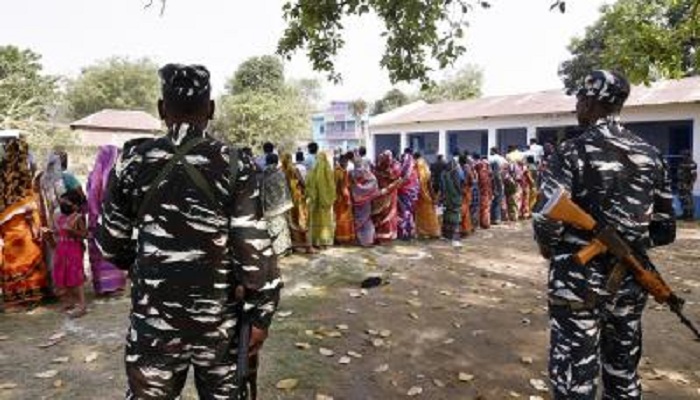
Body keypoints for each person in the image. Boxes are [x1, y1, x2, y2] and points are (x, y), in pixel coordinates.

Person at [97, 64, 281, 399]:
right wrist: (261, 315)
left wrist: (144, 267)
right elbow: (254, 250)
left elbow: (109, 242)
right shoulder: (236, 163)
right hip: (220, 326)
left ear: (161, 109)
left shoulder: (133, 160)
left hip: (154, 323)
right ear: (210, 108)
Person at [534, 70, 676, 399]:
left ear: (591, 101)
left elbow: (546, 219)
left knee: (575, 382)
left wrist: (551, 249)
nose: (576, 106)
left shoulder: (570, 152)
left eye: (580, 99)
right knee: (623, 376)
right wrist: (628, 242)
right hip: (629, 281)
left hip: (576, 283)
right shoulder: (651, 155)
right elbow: (665, 229)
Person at [0, 138, 49, 311]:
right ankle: (27, 298)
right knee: (28, 259)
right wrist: (37, 230)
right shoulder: (22, 187)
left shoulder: (3, 183)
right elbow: (29, 213)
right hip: (23, 234)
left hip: (9, 234)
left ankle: (13, 299)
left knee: (11, 263)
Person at [86, 145, 126, 296]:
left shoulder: (93, 175)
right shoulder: (116, 175)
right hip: (111, 220)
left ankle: (101, 285)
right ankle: (113, 284)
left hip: (96, 219)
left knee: (99, 252)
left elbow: (91, 197)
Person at [53, 190, 88, 317]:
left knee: (76, 276)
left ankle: (82, 305)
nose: (63, 205)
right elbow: (58, 234)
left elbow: (85, 235)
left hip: (74, 249)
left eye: (66, 203)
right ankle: (70, 302)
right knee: (64, 274)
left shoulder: (78, 218)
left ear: (75, 205)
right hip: (61, 249)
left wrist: (73, 231)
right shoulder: (60, 218)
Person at [282, 153, 314, 254]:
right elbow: (302, 183)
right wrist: (305, 191)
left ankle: (294, 246)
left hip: (287, 200)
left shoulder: (282, 171)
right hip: (298, 199)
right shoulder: (294, 170)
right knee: (302, 221)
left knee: (292, 222)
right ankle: (308, 247)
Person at [262, 153, 293, 257]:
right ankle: (285, 249)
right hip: (282, 205)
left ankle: (276, 250)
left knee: (272, 228)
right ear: (276, 162)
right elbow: (285, 189)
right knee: (283, 226)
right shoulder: (281, 174)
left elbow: (262, 191)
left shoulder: (264, 174)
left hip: (269, 207)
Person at [306, 151, 336, 249]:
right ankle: (325, 242)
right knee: (326, 222)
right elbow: (332, 185)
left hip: (315, 202)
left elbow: (308, 185)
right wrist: (329, 198)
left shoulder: (312, 172)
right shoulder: (328, 170)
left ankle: (316, 242)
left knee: (315, 221)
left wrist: (312, 195)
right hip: (325, 203)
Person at [372, 150, 402, 244]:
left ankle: (387, 234)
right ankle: (382, 234)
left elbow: (396, 178)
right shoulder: (380, 167)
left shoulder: (394, 167)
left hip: (388, 194)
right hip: (382, 193)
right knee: (383, 214)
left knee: (388, 214)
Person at [414, 153, 440, 238]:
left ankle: (421, 232)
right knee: (429, 213)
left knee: (420, 214)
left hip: (417, 194)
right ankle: (432, 232)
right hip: (426, 195)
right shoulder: (425, 166)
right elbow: (429, 184)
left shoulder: (414, 167)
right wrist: (433, 196)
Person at [397, 149, 420, 240]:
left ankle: (405, 233)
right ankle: (409, 232)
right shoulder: (414, 170)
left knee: (405, 212)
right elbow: (417, 184)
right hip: (412, 194)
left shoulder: (404, 172)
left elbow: (401, 181)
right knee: (410, 213)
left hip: (405, 193)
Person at [440, 158, 463, 247]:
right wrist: (460, 193)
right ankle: (455, 239)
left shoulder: (445, 174)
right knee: (456, 218)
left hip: (447, 199)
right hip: (455, 198)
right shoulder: (455, 173)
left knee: (447, 217)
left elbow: (442, 188)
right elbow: (458, 186)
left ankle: (446, 235)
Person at [334, 154, 356, 244]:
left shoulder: (337, 170)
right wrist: (347, 199)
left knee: (338, 217)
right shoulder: (341, 172)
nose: (347, 163)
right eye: (346, 161)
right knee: (343, 218)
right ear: (341, 162)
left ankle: (338, 237)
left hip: (337, 198)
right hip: (342, 198)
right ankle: (342, 237)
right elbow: (343, 187)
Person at [474, 154, 493, 229]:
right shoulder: (486, 172)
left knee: (483, 207)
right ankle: (485, 223)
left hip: (483, 191)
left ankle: (483, 223)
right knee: (485, 207)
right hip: (485, 191)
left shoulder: (480, 172)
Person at [678, 149, 697, 220]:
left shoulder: (691, 163)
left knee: (688, 200)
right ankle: (684, 214)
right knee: (682, 199)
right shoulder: (682, 162)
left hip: (687, 184)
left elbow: (694, 175)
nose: (682, 156)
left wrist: (690, 184)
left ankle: (690, 216)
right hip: (681, 184)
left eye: (684, 155)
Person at [459, 154, 475, 236]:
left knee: (464, 210)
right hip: (466, 191)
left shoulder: (461, 168)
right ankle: (466, 228)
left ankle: (465, 229)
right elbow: (472, 181)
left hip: (462, 191)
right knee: (466, 210)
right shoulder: (467, 168)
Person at [490, 159, 504, 225]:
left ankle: (494, 218)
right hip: (498, 191)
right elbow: (499, 184)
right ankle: (496, 219)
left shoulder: (493, 174)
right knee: (497, 204)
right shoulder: (497, 174)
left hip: (495, 191)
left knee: (495, 204)